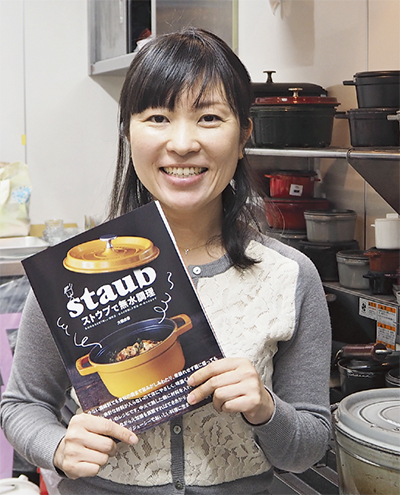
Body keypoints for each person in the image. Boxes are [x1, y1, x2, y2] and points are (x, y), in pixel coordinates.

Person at [1, 28, 332, 495]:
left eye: (210, 118)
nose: (182, 143)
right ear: (128, 131)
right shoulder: (73, 273)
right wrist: (56, 446)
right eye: (158, 117)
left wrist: (265, 408)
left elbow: (309, 447)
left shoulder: (289, 275)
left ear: (243, 135)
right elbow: (22, 405)